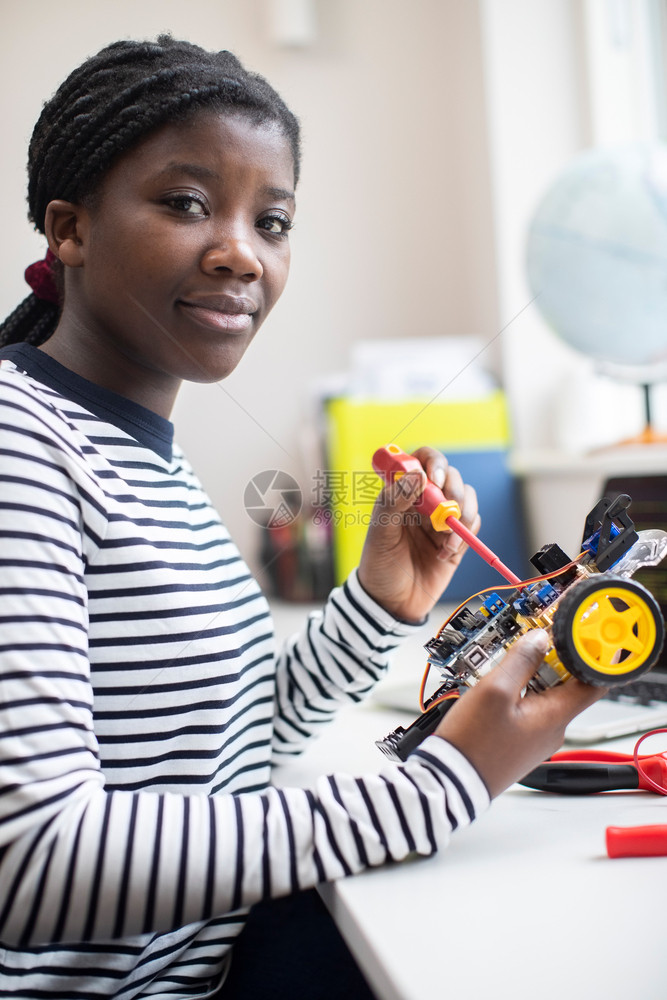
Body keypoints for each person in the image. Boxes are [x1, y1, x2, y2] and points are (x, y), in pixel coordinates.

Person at [0, 35, 603, 999]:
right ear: (68, 230)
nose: (242, 250)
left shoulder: (138, 450)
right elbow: (30, 862)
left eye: (271, 220)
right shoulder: (20, 443)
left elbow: (229, 750)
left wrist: (375, 602)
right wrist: (440, 786)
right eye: (186, 202)